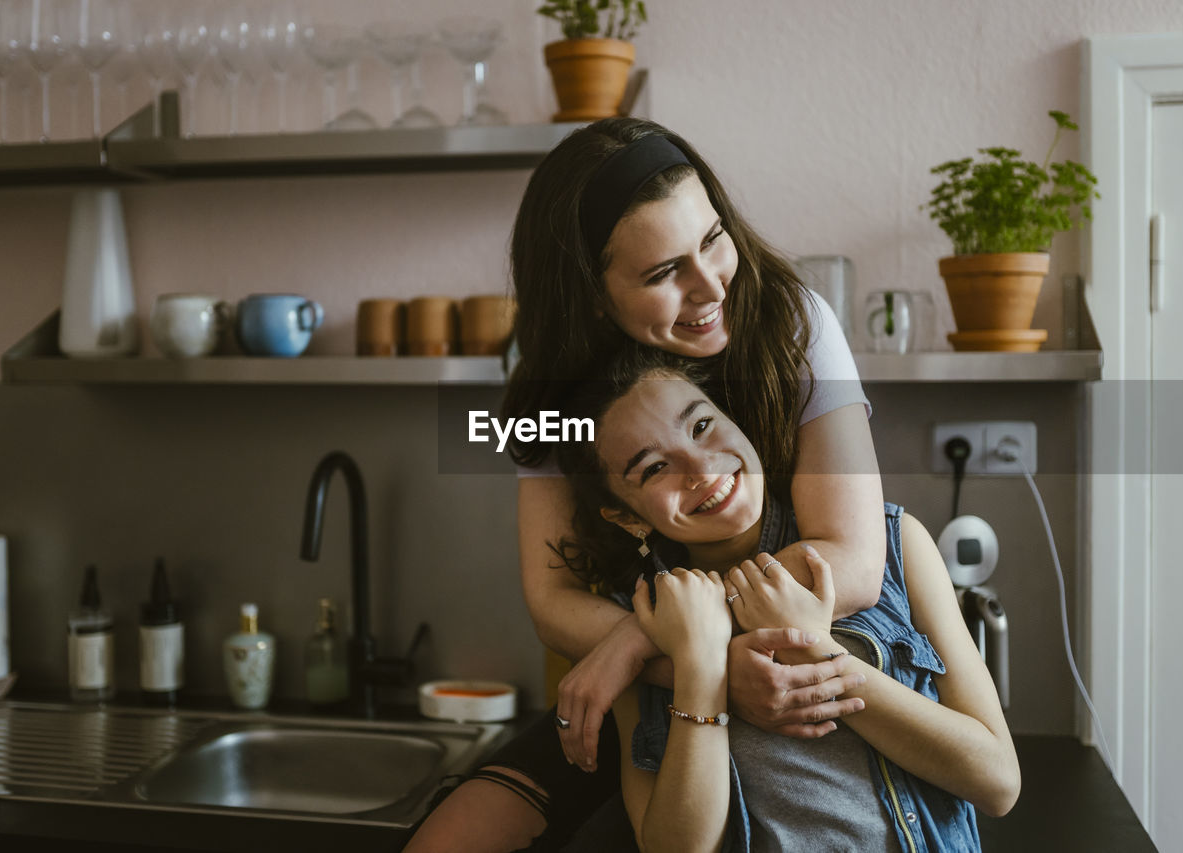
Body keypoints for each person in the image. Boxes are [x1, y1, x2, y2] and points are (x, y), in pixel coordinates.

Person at [407, 118, 886, 852]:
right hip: (636, 694)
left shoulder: (793, 326)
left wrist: (644, 632)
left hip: (789, 670)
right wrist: (701, 665)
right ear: (593, 296)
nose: (710, 286)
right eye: (664, 273)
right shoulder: (554, 394)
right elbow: (553, 598)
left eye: (713, 239)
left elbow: (851, 560)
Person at [557, 348, 1020, 851]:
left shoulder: (894, 545)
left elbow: (996, 783)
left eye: (701, 426)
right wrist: (700, 666)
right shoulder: (642, 622)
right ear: (628, 518)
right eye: (653, 469)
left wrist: (816, 650)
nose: (700, 467)